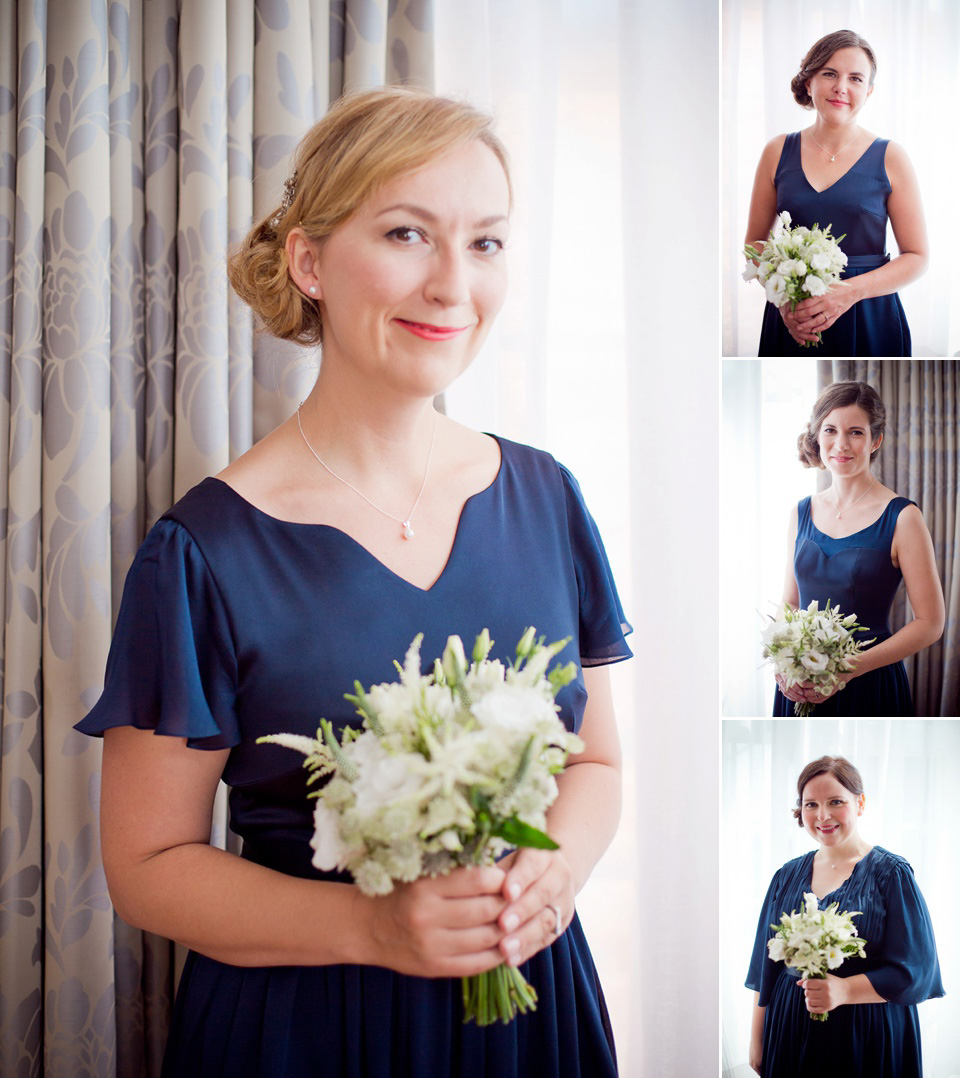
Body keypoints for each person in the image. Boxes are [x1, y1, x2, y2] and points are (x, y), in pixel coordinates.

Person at [75, 88, 633, 1076]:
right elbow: (148, 868)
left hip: (532, 1014)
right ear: (309, 261)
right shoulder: (203, 551)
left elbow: (593, 764)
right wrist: (373, 929)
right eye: (408, 234)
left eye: (487, 242)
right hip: (302, 1028)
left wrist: (560, 866)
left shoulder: (547, 497)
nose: (453, 284)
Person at [746, 756, 943, 1077]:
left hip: (866, 1032)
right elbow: (764, 965)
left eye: (835, 801)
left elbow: (916, 968)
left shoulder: (892, 874)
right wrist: (757, 1037)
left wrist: (845, 990)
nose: (822, 816)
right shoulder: (786, 874)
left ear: (860, 803)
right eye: (811, 805)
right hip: (790, 1025)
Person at [744, 30, 928, 355]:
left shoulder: (892, 157)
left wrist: (848, 292)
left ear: (868, 91)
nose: (841, 87)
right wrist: (786, 301)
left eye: (855, 78)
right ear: (808, 80)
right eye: (830, 73)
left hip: (869, 314)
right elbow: (755, 243)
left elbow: (917, 256)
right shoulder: (776, 151)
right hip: (795, 315)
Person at [773, 380, 943, 716]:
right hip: (798, 682)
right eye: (830, 430)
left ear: (875, 440)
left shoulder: (903, 517)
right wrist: (783, 661)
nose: (841, 444)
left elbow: (930, 623)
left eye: (855, 432)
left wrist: (848, 669)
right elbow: (789, 602)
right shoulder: (800, 511)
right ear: (817, 436)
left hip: (869, 682)